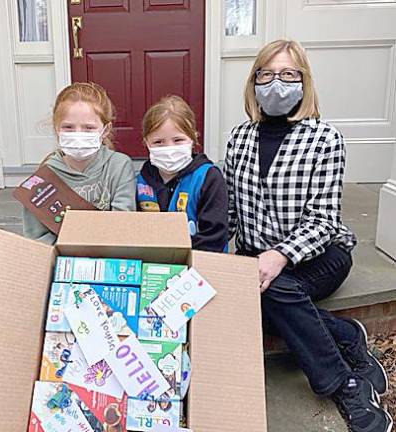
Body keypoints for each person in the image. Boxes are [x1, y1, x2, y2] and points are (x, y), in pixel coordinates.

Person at [224, 39, 392, 432]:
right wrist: (210, 252)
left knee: (274, 290)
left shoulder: (324, 139)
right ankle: (346, 335)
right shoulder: (239, 137)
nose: (275, 83)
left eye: (288, 74)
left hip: (319, 255)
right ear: (254, 82)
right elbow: (230, 210)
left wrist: (279, 255)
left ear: (304, 82)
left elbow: (322, 220)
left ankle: (343, 385)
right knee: (257, 296)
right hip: (255, 257)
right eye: (266, 74)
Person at [22, 82, 136, 244]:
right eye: (68, 127)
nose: (78, 134)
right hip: (62, 260)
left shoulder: (119, 166)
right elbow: (37, 237)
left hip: (110, 254)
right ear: (56, 129)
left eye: (88, 128)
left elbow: (123, 220)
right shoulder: (43, 177)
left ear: (105, 130)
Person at [136, 95, 228, 252]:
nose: (169, 148)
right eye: (158, 142)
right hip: (153, 261)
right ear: (146, 143)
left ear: (193, 138)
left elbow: (215, 236)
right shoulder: (142, 180)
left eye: (178, 140)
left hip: (202, 260)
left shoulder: (208, 178)